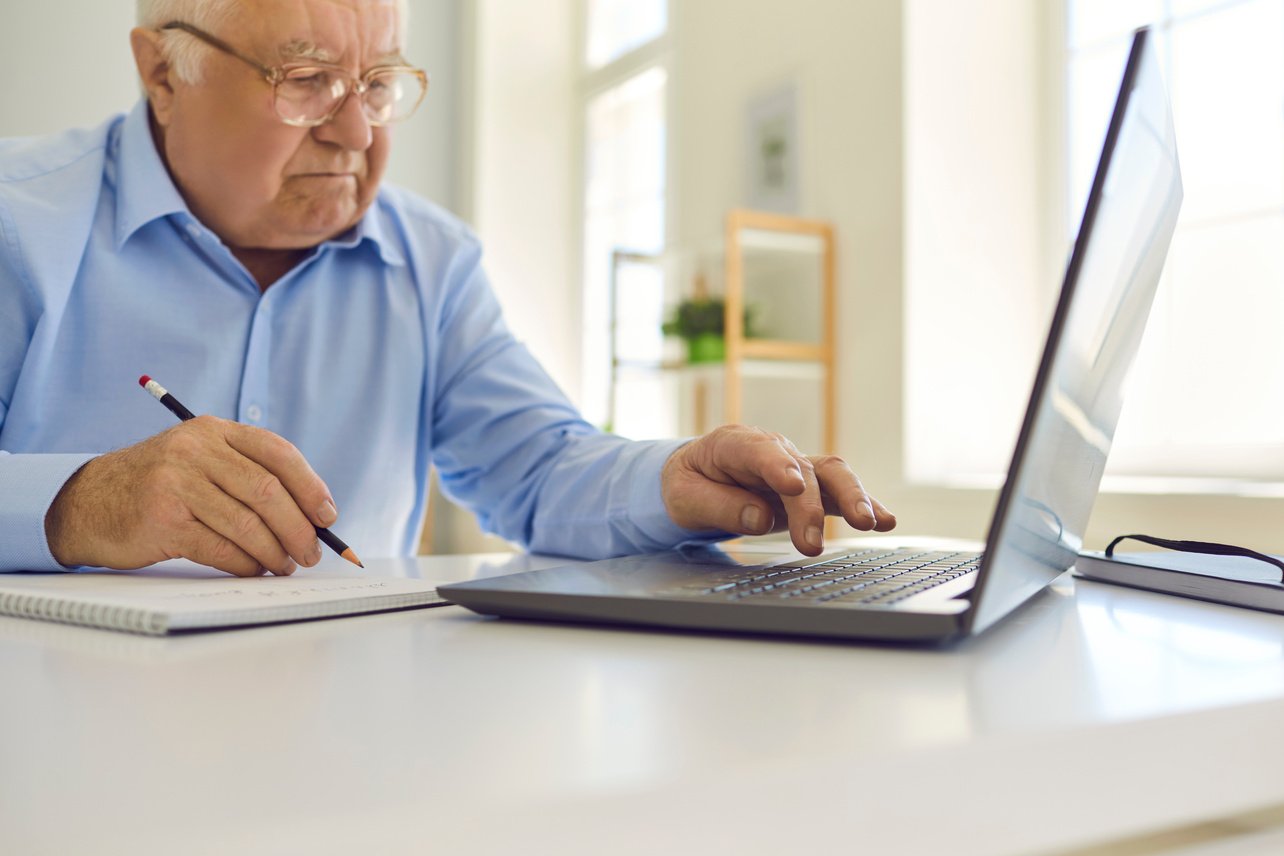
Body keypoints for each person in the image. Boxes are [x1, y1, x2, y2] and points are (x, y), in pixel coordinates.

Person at [0, 0, 895, 578]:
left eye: (379, 83)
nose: (356, 132)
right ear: (162, 72)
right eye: (308, 82)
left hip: (348, 731)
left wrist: (673, 478)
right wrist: (83, 501)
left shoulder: (432, 260)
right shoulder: (19, 221)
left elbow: (542, 472)